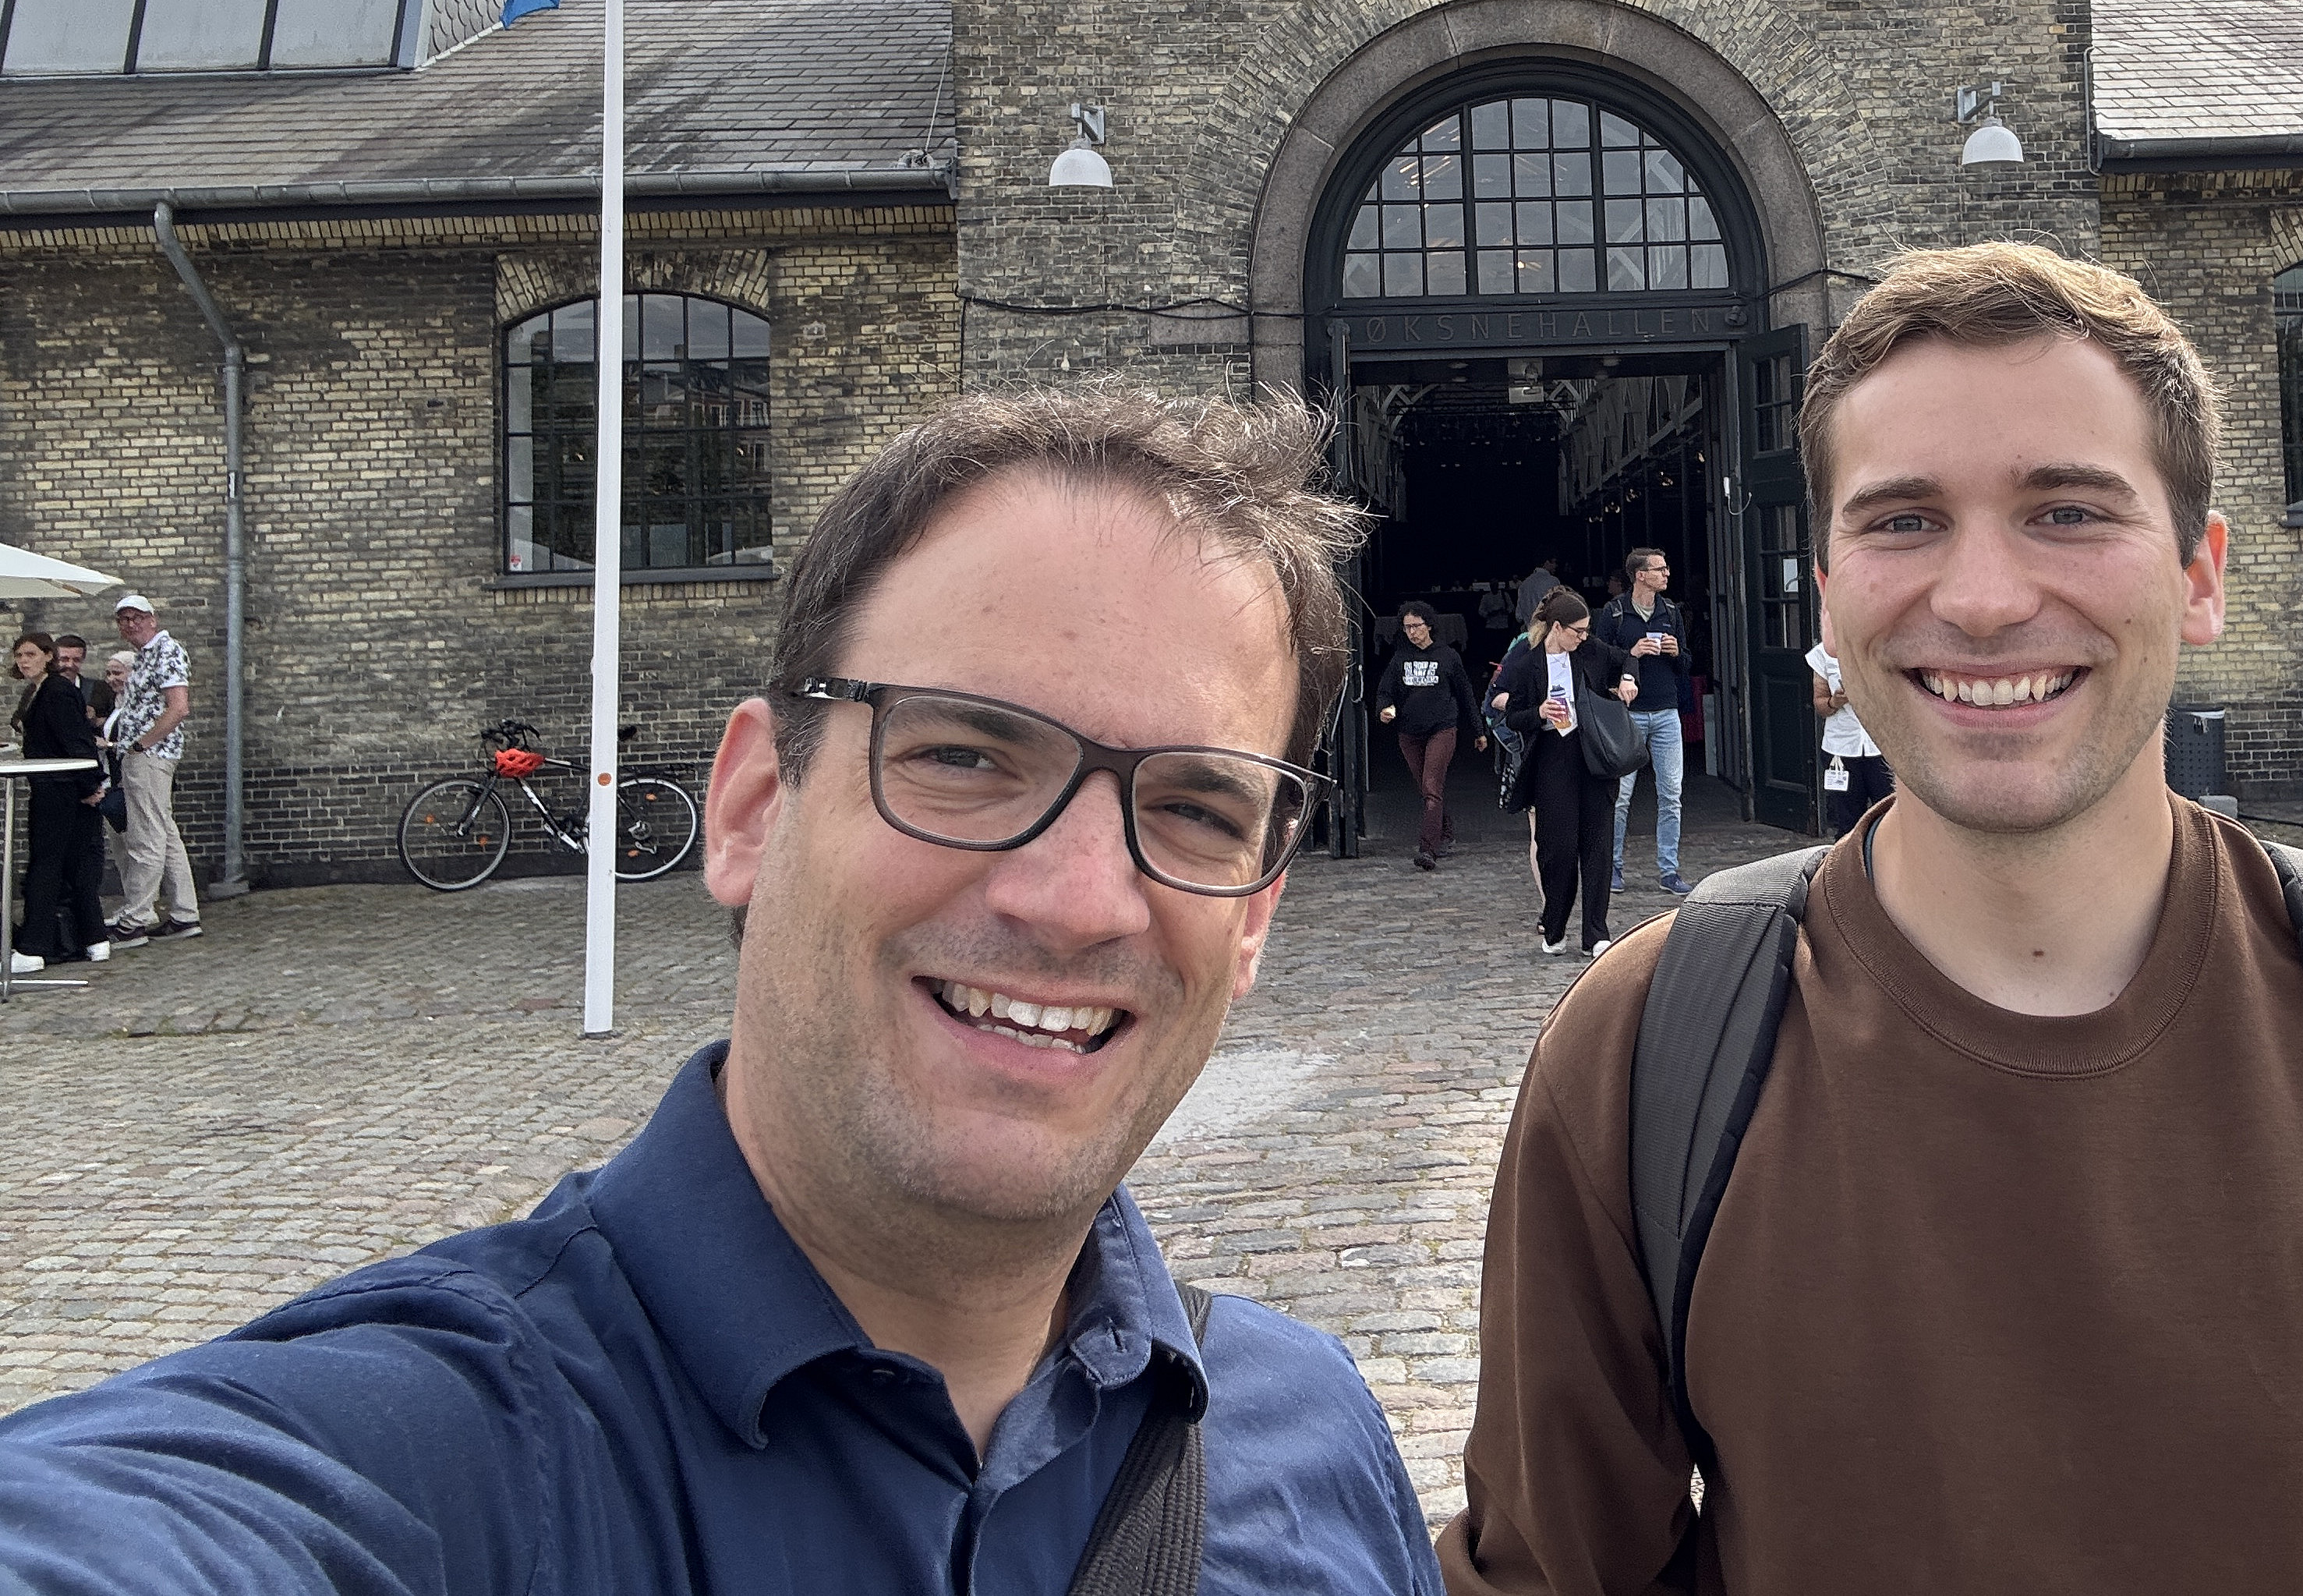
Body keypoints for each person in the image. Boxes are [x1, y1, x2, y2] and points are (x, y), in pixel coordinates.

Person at [1440, 242, 2303, 1593]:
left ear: (2200, 574)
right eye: (1902, 518)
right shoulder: (1646, 1054)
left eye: (2068, 510)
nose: (1979, 595)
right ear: (1831, 587)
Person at [1, 391, 1445, 1595]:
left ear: (1255, 911)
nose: (1074, 896)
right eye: (962, 755)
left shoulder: (1306, 1441)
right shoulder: (421, 1464)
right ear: (753, 803)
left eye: (1193, 804)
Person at [1485, 588, 1635, 960]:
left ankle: (1596, 933)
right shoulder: (1526, 662)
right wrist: (1538, 713)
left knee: (1598, 844)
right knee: (1558, 849)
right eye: (1578, 631)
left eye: (1586, 631)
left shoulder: (1591, 651)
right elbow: (1512, 715)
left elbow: (1627, 658)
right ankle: (1554, 925)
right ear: (1556, 627)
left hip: (1593, 756)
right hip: (1553, 757)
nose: (1583, 637)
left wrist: (1629, 680)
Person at [103, 593, 202, 945]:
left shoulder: (167, 650)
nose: (131, 624)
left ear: (153, 619)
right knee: (165, 833)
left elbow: (178, 708)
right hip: (144, 755)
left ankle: (136, 918)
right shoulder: (146, 655)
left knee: (146, 837)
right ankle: (184, 914)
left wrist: (142, 744)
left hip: (151, 756)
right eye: (124, 619)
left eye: (137, 617)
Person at [10, 632, 110, 971]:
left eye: (30, 654)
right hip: (57, 786)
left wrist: (89, 786)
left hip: (61, 789)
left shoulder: (56, 691)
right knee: (74, 864)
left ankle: (34, 947)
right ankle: (94, 939)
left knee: (47, 865)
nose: (24, 661)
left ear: (48, 656)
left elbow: (76, 742)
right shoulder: (39, 691)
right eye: (19, 655)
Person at [1601, 549, 1690, 897]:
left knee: (1672, 794)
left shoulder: (1671, 612)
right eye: (1660, 569)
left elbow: (1686, 664)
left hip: (1667, 710)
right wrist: (1632, 655)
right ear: (1640, 575)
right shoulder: (1615, 612)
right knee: (1621, 796)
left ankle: (1669, 871)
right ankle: (1613, 868)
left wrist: (1675, 652)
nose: (1667, 574)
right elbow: (1598, 661)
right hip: (1629, 713)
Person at [1375, 600, 1485, 872]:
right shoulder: (1399, 659)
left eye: (1417, 626)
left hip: (1443, 728)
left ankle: (1428, 848)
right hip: (1409, 733)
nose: (1412, 632)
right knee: (1426, 789)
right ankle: (1444, 831)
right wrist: (1384, 710)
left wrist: (1479, 730)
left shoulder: (1448, 656)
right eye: (1407, 627)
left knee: (1432, 787)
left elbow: (1466, 694)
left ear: (1429, 625)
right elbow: (1384, 692)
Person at [1804, 632, 1891, 842]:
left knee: (1888, 812)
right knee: (1847, 816)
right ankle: (1847, 868)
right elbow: (1821, 705)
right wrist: (1836, 701)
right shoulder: (1821, 655)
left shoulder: (1881, 649)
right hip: (1840, 747)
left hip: (1880, 745)